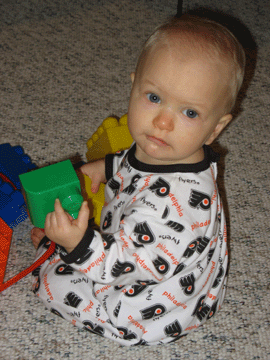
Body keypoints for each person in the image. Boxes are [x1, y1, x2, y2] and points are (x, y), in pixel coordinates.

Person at [31, 15, 245, 346]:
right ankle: (68, 245)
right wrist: (101, 169)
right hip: (152, 256)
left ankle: (58, 250)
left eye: (189, 113)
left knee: (53, 283)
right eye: (154, 98)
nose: (162, 122)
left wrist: (74, 245)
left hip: (150, 306)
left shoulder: (172, 212)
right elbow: (135, 162)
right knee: (83, 243)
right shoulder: (170, 149)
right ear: (134, 86)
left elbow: (123, 267)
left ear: (216, 128)